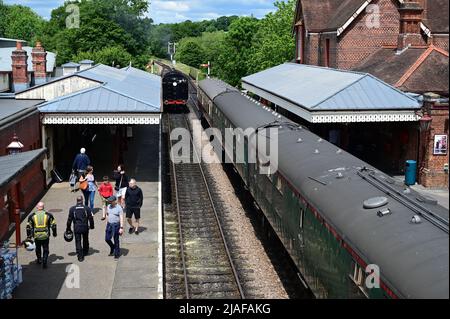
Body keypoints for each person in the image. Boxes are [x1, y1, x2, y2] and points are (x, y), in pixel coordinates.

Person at [26, 202, 57, 269]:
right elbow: (53, 225)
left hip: (37, 236)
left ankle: (39, 260)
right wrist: (54, 233)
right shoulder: (48, 215)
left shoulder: (32, 216)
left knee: (38, 248)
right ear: (43, 207)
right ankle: (45, 261)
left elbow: (28, 227)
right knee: (46, 249)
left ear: (37, 207)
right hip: (45, 236)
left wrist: (29, 236)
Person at [66, 196, 95, 262]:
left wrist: (68, 228)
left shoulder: (72, 209)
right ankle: (85, 251)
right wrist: (92, 226)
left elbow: (69, 220)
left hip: (77, 227)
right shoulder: (87, 208)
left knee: (78, 241)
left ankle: (80, 256)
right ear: (82, 200)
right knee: (85, 239)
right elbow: (91, 218)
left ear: (77, 201)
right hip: (85, 227)